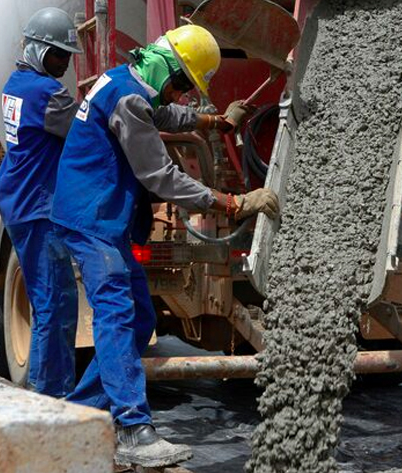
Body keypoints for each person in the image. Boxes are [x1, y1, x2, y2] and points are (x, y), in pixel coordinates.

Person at [51, 25, 279, 467]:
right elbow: (160, 176)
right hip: (93, 220)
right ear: (167, 67)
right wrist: (231, 202)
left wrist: (214, 119)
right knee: (118, 315)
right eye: (180, 85)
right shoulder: (129, 98)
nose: (178, 96)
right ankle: (134, 428)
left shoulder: (126, 81)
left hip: (103, 219)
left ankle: (77, 415)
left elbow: (163, 115)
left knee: (139, 320)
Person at [0, 7, 82, 397]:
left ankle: (51, 390)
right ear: (37, 50)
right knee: (54, 305)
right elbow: (87, 131)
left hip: (20, 199)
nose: (64, 64)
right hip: (37, 207)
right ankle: (50, 397)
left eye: (67, 57)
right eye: (58, 55)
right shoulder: (45, 93)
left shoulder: (15, 83)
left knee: (51, 303)